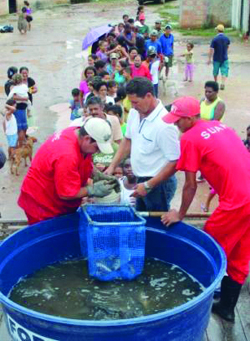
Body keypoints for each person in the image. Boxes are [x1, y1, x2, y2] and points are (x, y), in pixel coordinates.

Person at [161, 96, 250, 323]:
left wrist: (179, 214)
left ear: (190, 118)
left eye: (178, 121)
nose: (175, 125)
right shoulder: (221, 126)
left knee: (205, 247)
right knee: (240, 255)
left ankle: (189, 304)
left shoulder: (189, 138)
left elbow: (190, 185)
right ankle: (227, 308)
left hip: (237, 202)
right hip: (246, 198)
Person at [18, 118, 119, 224]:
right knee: (48, 235)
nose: (97, 151)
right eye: (97, 147)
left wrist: (96, 174)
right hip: (42, 204)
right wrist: (93, 190)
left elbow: (84, 158)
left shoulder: (75, 132)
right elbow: (66, 194)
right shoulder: (67, 155)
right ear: (87, 138)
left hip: (52, 197)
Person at [106, 77, 180, 212]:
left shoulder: (165, 125)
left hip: (158, 183)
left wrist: (148, 185)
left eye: (135, 102)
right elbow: (128, 140)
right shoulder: (135, 113)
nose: (132, 106)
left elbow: (175, 162)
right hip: (140, 178)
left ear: (149, 96)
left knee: (156, 224)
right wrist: (112, 166)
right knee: (141, 217)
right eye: (131, 102)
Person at [7, 74, 29, 146]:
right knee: (22, 129)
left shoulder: (14, 88)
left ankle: (20, 146)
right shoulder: (24, 86)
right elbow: (27, 92)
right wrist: (25, 99)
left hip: (19, 109)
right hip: (22, 109)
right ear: (21, 79)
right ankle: (21, 146)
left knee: (20, 129)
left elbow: (10, 97)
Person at [208, 24, 230, 90]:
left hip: (216, 58)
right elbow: (228, 47)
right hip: (225, 58)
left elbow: (211, 49)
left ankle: (216, 83)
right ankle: (223, 83)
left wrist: (209, 58)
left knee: (215, 71)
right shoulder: (226, 38)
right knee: (224, 71)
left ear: (217, 30)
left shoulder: (215, 39)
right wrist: (226, 53)